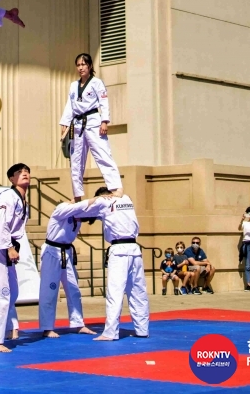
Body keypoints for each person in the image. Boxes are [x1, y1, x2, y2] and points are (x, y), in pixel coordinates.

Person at [86, 187, 150, 341]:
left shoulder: (103, 202)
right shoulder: (126, 199)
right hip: (134, 249)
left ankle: (110, 332)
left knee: (115, 292)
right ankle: (142, 329)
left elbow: (85, 211)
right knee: (138, 291)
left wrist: (94, 200)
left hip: (119, 250)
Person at [0, 163, 30, 352]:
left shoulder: (22, 198)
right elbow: (0, 221)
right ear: (11, 179)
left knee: (12, 291)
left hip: (6, 245)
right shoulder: (8, 196)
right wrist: (8, 246)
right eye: (19, 172)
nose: (24, 174)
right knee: (0, 293)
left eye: (27, 172)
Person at [59, 53, 122, 202]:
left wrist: (104, 121)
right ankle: (77, 195)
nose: (80, 68)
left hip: (93, 120)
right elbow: (70, 105)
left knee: (102, 153)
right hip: (77, 124)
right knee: (75, 160)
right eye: (78, 65)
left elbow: (104, 103)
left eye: (83, 64)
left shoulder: (97, 83)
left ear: (90, 66)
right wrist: (65, 122)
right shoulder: (74, 85)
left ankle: (116, 187)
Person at [39, 198, 100, 338]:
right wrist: (96, 199)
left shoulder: (77, 217)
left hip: (66, 253)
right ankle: (47, 327)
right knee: (49, 291)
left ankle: (78, 323)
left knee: (74, 289)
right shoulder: (63, 208)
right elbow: (79, 205)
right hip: (52, 252)